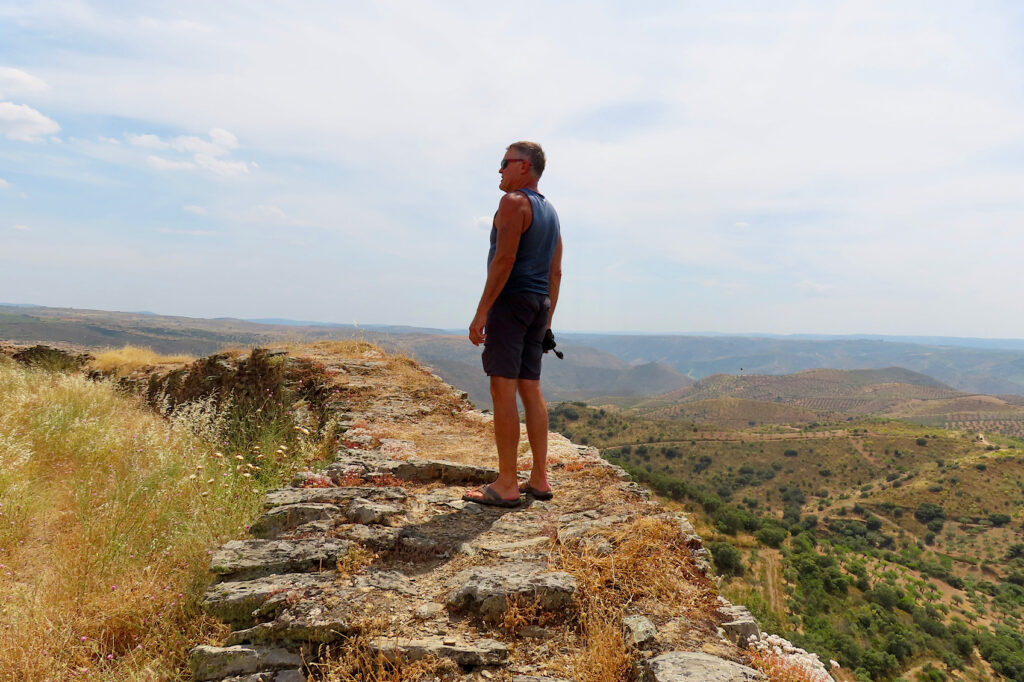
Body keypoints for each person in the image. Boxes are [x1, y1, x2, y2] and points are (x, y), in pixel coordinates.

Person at [464, 141, 563, 508]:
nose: (500, 170)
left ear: (525, 166)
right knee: (530, 388)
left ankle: (507, 483)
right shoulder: (551, 213)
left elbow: (504, 260)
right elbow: (555, 271)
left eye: (505, 162)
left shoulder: (513, 203)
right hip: (539, 304)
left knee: (502, 390)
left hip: (511, 303)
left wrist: (481, 312)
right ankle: (539, 477)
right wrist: (547, 321)